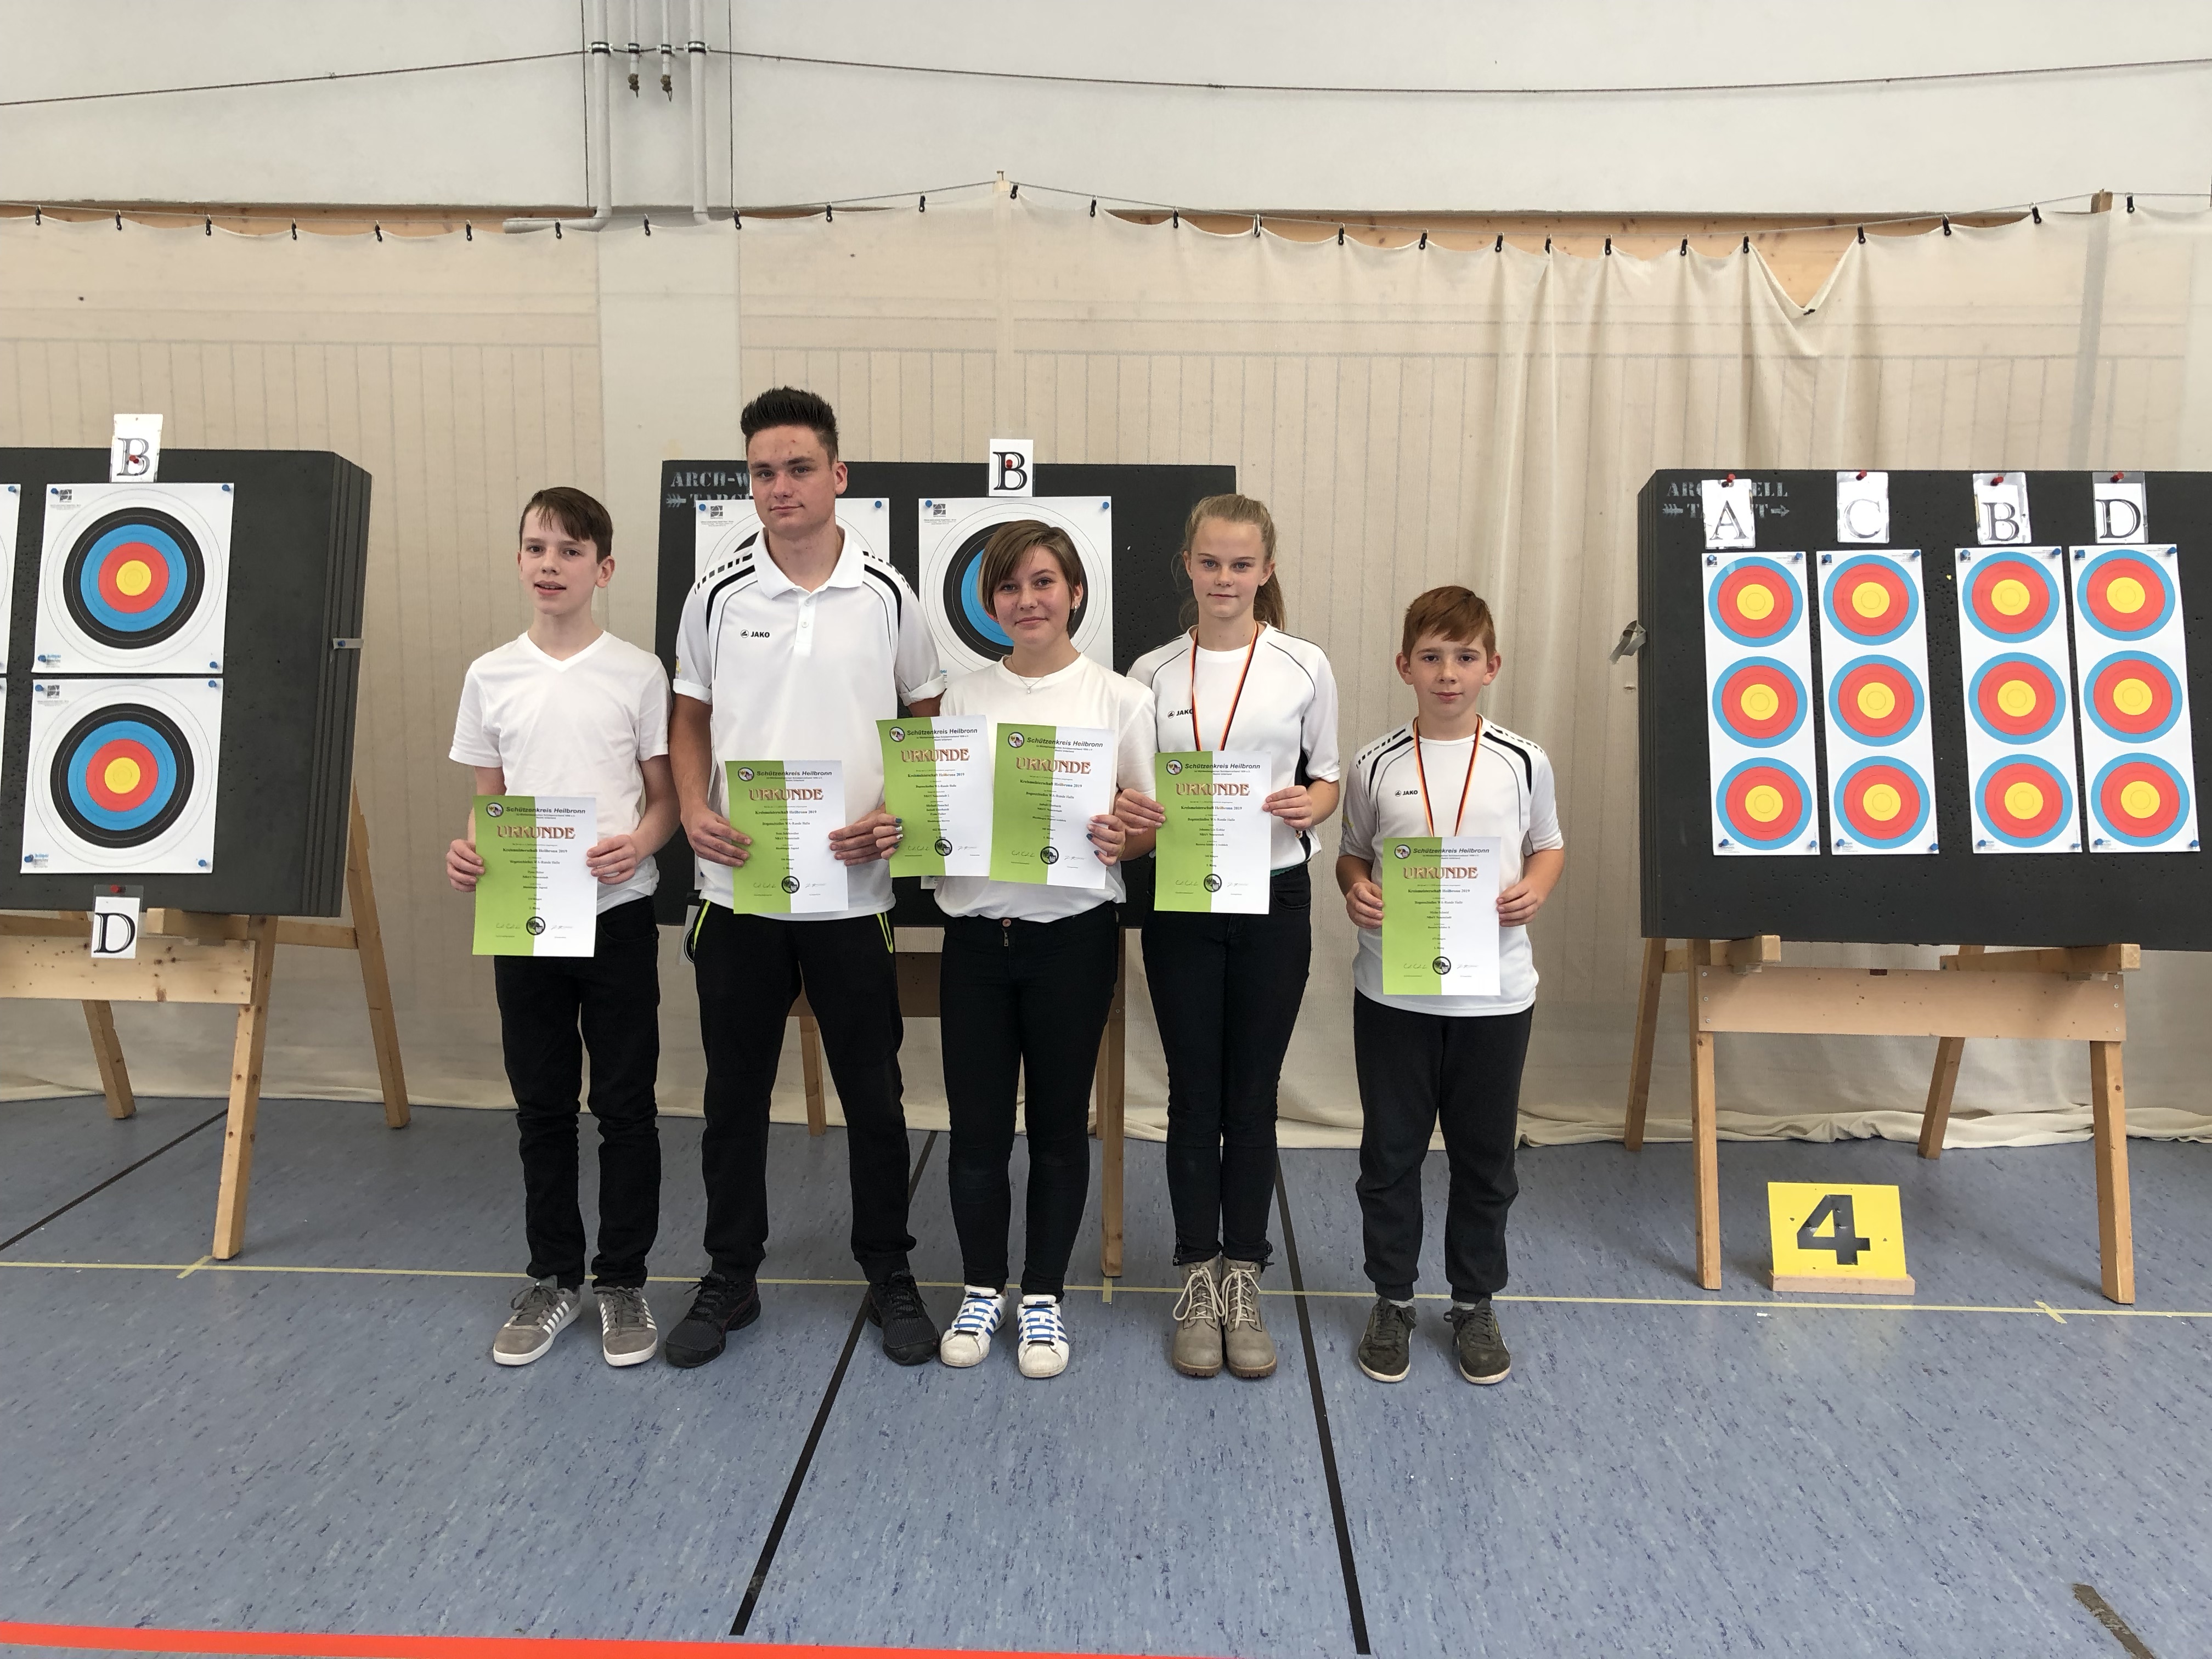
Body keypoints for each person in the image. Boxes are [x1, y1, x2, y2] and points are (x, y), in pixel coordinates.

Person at [665, 387, 946, 1370]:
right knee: (734, 1094)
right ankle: (730, 1275)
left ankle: (891, 1270)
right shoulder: (713, 595)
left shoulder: (891, 595)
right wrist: (692, 809)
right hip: (738, 889)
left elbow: (925, 716)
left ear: (838, 475)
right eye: (762, 472)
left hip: (852, 896)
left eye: (797, 468)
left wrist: (899, 810)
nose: (779, 487)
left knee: (875, 1094)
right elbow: (689, 717)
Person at [447, 487, 679, 1368]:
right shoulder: (490, 675)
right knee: (542, 1106)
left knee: (625, 1106)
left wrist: (638, 846)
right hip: (525, 919)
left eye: (571, 551)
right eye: (537, 548)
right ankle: (552, 1276)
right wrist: (469, 855)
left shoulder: (638, 672)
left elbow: (663, 802)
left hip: (616, 918)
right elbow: (489, 806)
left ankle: (622, 1280)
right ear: (519, 561)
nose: (551, 564)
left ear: (603, 569)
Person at [1118, 495, 1340, 1380]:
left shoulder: (1304, 665)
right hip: (1181, 899)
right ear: (1187, 564)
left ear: (1266, 570)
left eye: (1241, 565)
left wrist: (1309, 804)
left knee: (1252, 1094)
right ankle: (1195, 1276)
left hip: (1273, 897)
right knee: (1192, 1095)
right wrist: (1136, 812)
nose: (1224, 578)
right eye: (1210, 562)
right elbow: (1132, 794)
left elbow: (1328, 780)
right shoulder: (1151, 673)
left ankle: (1243, 1276)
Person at [928, 521, 1156, 1379]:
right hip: (976, 941)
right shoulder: (961, 699)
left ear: (1075, 593)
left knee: (1060, 1129)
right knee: (978, 1130)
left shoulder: (1120, 700)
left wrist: (1126, 834)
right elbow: (939, 814)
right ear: (990, 604)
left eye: (1043, 583)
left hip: (1073, 942)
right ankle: (982, 1287)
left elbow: (1143, 829)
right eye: (1010, 587)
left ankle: (1045, 1297)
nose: (1027, 601)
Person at [1334, 586, 1564, 1386]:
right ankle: (1392, 1299)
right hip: (1393, 994)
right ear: (1404, 665)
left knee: (1485, 1159)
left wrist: (1537, 888)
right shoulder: (1374, 763)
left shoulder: (1523, 760)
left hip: (1495, 997)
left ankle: (1474, 1302)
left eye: (1465, 657)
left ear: (1491, 667)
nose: (1447, 673)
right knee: (1390, 1156)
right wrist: (1356, 889)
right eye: (1431, 657)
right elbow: (1352, 854)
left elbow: (1548, 845)